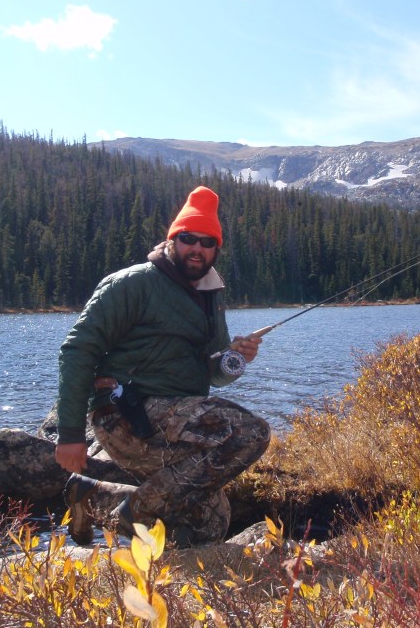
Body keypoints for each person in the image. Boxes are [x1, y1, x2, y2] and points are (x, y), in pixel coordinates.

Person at [53, 185, 271, 547]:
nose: (197, 248)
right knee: (251, 432)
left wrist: (236, 360)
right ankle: (130, 510)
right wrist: (70, 434)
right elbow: (77, 351)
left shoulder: (210, 296)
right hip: (126, 413)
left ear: (216, 248)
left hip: (173, 422)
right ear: (173, 239)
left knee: (212, 519)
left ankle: (93, 496)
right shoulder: (132, 283)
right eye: (188, 238)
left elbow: (211, 371)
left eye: (207, 241)